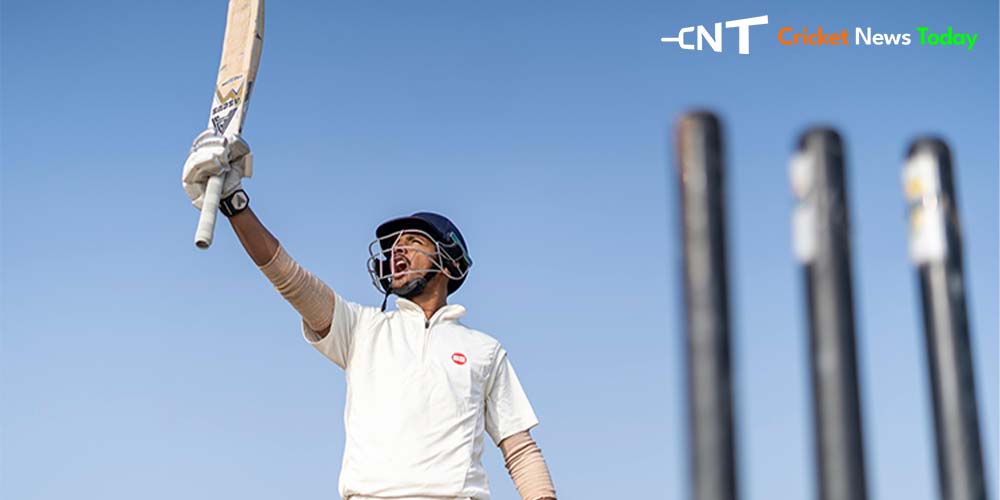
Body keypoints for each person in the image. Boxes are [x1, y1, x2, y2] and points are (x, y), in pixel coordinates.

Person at [181, 131, 557, 500]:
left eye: (413, 242)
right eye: (393, 246)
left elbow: (520, 449)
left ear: (449, 262)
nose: (397, 251)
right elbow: (288, 277)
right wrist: (235, 205)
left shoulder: (483, 350)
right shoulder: (362, 328)